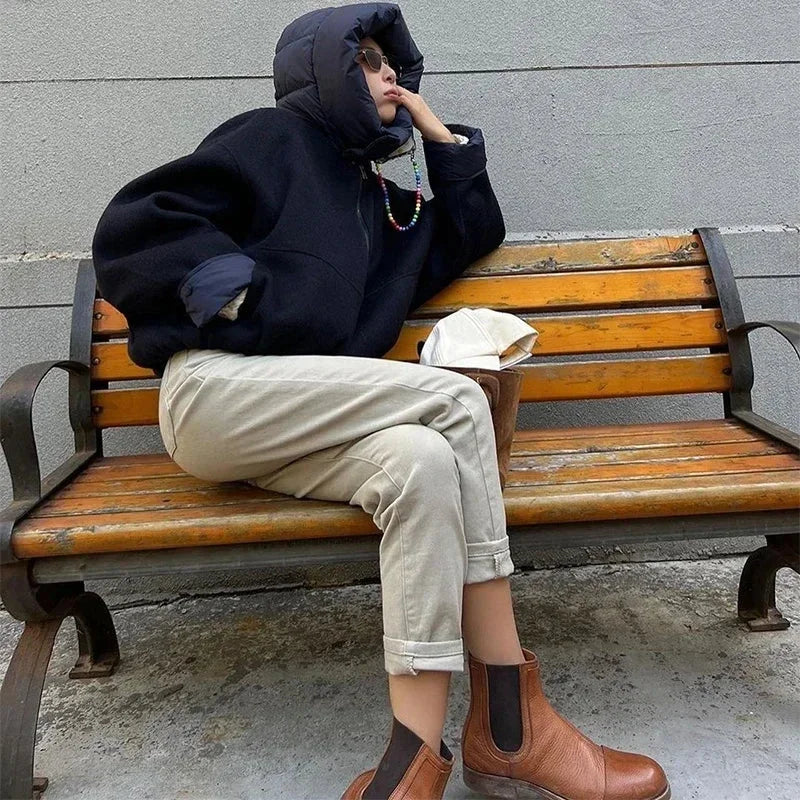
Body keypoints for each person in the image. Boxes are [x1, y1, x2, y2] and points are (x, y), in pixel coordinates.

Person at [91, 4, 671, 799]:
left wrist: (438, 140)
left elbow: (469, 234)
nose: (388, 73)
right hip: (219, 398)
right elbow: (140, 222)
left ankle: (411, 764)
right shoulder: (269, 137)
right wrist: (237, 302)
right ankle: (513, 723)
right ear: (322, 71)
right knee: (461, 404)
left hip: (313, 421)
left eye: (391, 61)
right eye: (365, 59)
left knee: (423, 462)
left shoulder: (384, 196)